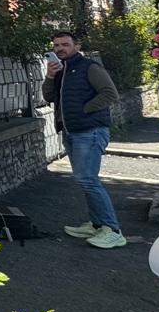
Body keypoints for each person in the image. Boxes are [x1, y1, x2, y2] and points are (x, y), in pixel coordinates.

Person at [43, 29, 125, 249]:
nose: (60, 48)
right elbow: (48, 97)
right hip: (70, 131)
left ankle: (113, 230)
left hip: (89, 131)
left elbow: (110, 94)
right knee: (85, 180)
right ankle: (97, 225)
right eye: (56, 45)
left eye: (65, 44)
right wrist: (50, 77)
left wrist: (84, 110)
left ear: (76, 46)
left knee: (88, 179)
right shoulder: (60, 71)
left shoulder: (90, 67)